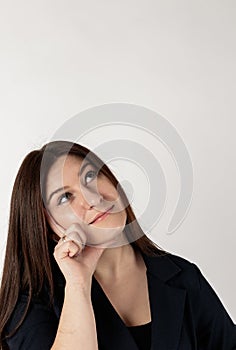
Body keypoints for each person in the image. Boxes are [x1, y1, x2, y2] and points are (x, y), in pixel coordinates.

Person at [0, 140, 235, 350]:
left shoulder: (183, 277)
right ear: (47, 227)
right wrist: (78, 285)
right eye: (65, 197)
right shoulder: (31, 303)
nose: (92, 198)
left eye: (90, 176)